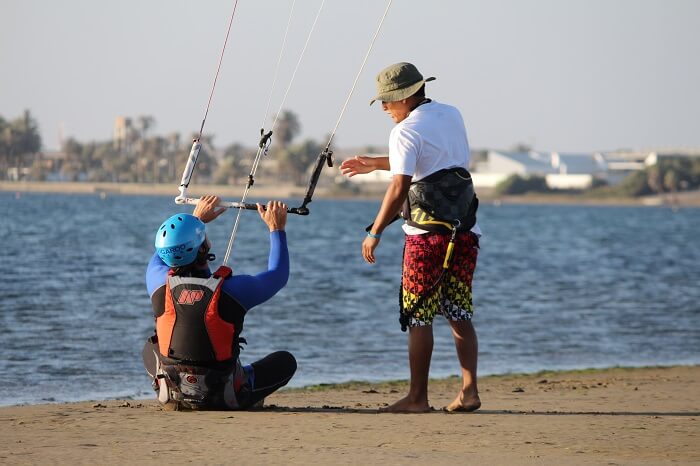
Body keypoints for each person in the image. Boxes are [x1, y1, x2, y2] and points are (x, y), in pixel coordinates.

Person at [340, 62, 481, 413]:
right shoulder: (451, 114)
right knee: (458, 311)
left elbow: (400, 186)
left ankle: (417, 398)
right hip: (464, 232)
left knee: (419, 315)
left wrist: (375, 231)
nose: (385, 108)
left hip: (425, 237)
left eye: (388, 101)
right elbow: (436, 160)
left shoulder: (404, 131)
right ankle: (469, 391)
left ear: (406, 95)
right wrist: (376, 162)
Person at [142, 195, 296, 410]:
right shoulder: (233, 290)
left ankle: (175, 391)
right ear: (203, 248)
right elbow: (278, 275)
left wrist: (196, 220)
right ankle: (239, 386)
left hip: (173, 394)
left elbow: (161, 255)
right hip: (223, 398)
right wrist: (276, 228)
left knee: (151, 346)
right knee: (285, 361)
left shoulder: (157, 282)